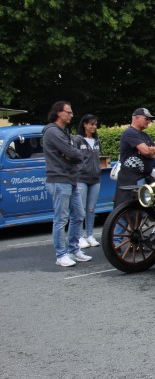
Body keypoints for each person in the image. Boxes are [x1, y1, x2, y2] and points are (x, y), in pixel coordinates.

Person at [43, 101, 91, 267]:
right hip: (58, 179)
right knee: (61, 219)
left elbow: (74, 154)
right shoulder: (52, 132)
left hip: (70, 179)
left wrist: (71, 155)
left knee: (78, 214)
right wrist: (71, 154)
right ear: (58, 113)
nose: (71, 115)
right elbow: (72, 152)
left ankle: (73, 249)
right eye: (68, 112)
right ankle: (61, 255)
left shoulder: (64, 132)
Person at [114, 108, 155, 206]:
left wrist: (147, 150)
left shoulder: (145, 135)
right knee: (129, 209)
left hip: (143, 178)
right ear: (136, 118)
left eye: (149, 119)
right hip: (131, 179)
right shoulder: (130, 132)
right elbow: (147, 151)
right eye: (146, 119)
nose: (149, 122)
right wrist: (148, 150)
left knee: (143, 208)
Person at [73, 114, 102, 249]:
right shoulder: (78, 140)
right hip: (81, 178)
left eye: (95, 124)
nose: (94, 127)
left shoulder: (96, 140)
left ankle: (89, 234)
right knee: (80, 209)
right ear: (84, 124)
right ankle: (79, 236)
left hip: (95, 178)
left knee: (91, 209)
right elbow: (74, 157)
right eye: (91, 124)